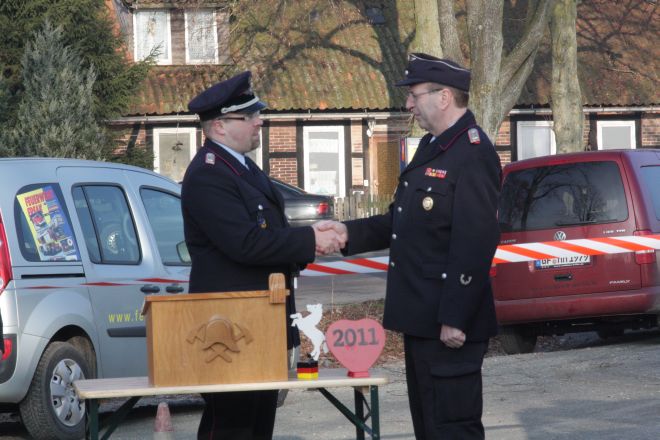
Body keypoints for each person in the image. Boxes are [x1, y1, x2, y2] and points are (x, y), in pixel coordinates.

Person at [318, 53, 502, 439]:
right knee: (430, 425)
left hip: (449, 324)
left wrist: (456, 314)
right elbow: (402, 222)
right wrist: (347, 233)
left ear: (444, 97)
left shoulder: (472, 153)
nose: (408, 104)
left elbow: (476, 240)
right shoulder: (433, 147)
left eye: (414, 95)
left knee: (453, 428)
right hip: (422, 317)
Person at [181, 70, 342, 440]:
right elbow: (246, 244)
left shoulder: (241, 167)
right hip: (231, 329)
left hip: (260, 323)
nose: (259, 121)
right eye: (249, 115)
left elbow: (272, 235)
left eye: (257, 113)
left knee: (257, 425)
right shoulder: (208, 175)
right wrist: (310, 241)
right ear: (219, 126)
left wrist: (308, 240)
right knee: (232, 426)